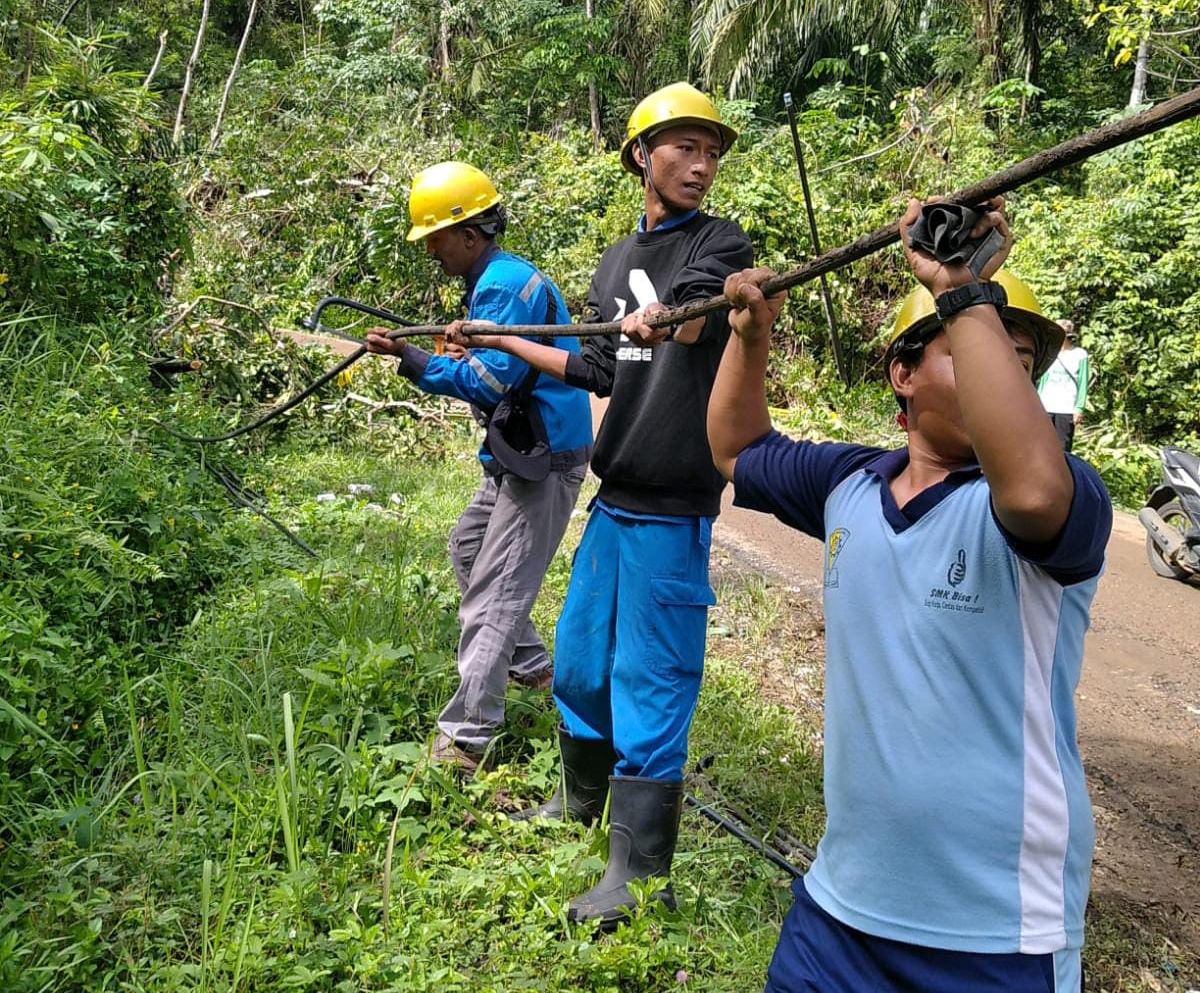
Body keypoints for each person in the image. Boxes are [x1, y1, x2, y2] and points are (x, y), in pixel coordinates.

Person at [707, 198, 1112, 993]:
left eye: (1020, 360)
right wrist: (749, 337)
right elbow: (735, 448)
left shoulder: (1060, 500)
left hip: (997, 935)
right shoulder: (849, 483)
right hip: (840, 912)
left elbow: (1029, 491)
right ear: (903, 371)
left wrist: (963, 293)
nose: (1009, 373)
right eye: (976, 347)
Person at [447, 83, 753, 924]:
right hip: (615, 497)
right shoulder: (616, 260)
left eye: (712, 151)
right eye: (684, 148)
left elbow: (694, 319)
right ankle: (580, 802)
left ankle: (638, 866)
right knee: (580, 661)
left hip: (675, 503)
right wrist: (508, 339)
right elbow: (602, 372)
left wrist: (671, 318)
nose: (701, 165)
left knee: (650, 678)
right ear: (640, 157)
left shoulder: (721, 243)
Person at [365, 161, 593, 773]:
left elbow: (488, 383)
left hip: (544, 460)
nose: (432, 251)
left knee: (492, 595)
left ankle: (467, 738)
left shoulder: (504, 285)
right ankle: (531, 668)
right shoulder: (493, 278)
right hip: (516, 456)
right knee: (469, 548)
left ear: (468, 232)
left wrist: (414, 359)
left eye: (435, 238)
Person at [1038, 319, 1090, 452]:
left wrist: (1079, 408)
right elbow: (1044, 380)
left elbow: (1083, 383)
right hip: (1046, 405)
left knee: (1063, 447)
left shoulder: (1080, 355)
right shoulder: (1050, 352)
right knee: (1043, 443)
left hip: (1066, 407)